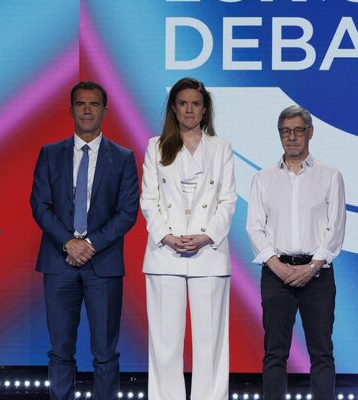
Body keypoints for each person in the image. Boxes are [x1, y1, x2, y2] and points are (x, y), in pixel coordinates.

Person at [30, 81, 139, 400]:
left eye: (94, 104)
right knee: (60, 351)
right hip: (58, 262)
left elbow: (127, 211)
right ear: (71, 110)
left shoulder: (122, 157)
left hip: (102, 266)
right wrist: (68, 242)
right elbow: (40, 205)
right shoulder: (50, 154)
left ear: (105, 111)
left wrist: (89, 244)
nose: (87, 110)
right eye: (81, 104)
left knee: (105, 353)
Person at [140, 77, 236, 400]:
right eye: (183, 103)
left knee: (210, 343)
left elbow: (228, 200)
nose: (189, 109)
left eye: (195, 103)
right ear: (174, 108)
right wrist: (166, 236)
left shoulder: (220, 147)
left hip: (208, 253)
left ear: (205, 108)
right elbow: (149, 200)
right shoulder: (156, 146)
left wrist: (206, 236)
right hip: (165, 254)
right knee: (165, 343)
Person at [245, 105, 346, 400]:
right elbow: (254, 228)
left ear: (310, 133)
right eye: (285, 131)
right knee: (275, 353)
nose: (291, 137)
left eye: (297, 130)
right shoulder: (263, 178)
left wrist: (312, 268)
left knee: (321, 353)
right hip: (276, 275)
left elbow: (335, 227)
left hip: (318, 276)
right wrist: (278, 266)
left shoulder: (330, 176)